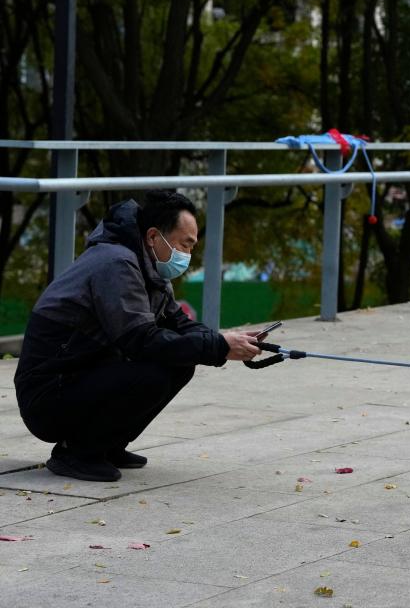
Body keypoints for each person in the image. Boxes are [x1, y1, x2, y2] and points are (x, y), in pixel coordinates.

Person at [14, 190, 262, 482]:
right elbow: (141, 340)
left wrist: (225, 340)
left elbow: (179, 324)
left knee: (181, 363)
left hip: (79, 379)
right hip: (48, 397)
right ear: (154, 237)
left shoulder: (149, 270)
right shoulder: (116, 263)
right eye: (185, 244)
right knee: (153, 371)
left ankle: (106, 444)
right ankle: (77, 453)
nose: (188, 255)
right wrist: (218, 347)